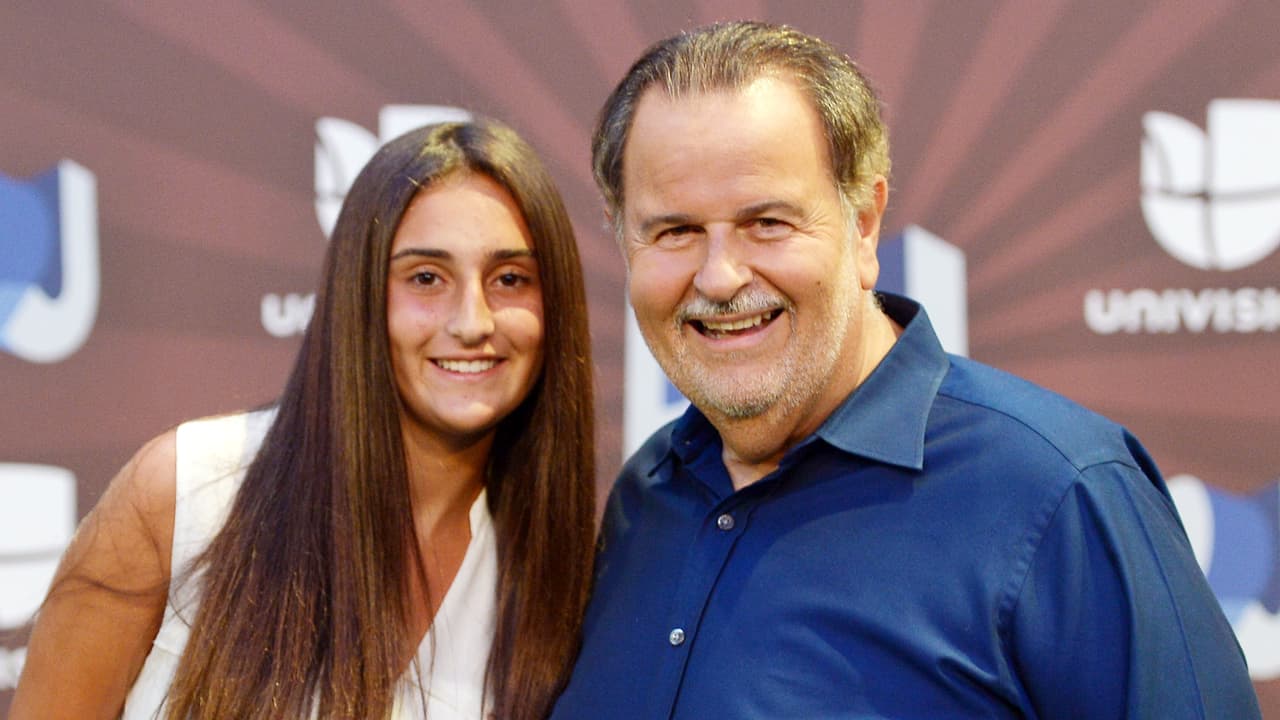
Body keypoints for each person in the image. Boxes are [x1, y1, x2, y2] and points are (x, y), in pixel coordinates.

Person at [551, 20, 1260, 720]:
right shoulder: (645, 496)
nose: (720, 276)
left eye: (767, 223)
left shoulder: (1062, 495)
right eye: (675, 231)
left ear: (863, 223)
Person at [12, 119, 596, 719]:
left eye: (510, 279)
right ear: (358, 294)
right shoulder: (185, 494)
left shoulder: (559, 581)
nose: (472, 322)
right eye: (426, 278)